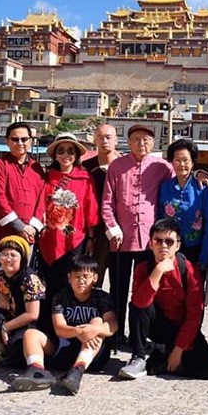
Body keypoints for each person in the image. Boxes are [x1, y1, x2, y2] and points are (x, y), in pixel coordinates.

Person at [102, 124, 174, 342]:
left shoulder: (162, 167)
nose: (141, 143)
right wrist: (112, 227)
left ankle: (139, 336)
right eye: (136, 139)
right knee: (118, 289)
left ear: (152, 143)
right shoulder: (117, 166)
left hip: (149, 241)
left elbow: (176, 187)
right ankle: (116, 335)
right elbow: (107, 202)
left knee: (144, 290)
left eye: (146, 140)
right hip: (121, 239)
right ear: (129, 142)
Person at [118, 218, 208, 380]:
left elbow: (195, 315)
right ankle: (139, 357)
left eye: (169, 241)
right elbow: (140, 304)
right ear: (151, 244)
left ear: (178, 245)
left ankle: (162, 357)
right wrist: (158, 271)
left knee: (206, 369)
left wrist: (178, 350)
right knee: (137, 305)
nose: (163, 246)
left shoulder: (189, 270)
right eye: (158, 241)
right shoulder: (143, 268)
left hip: (181, 328)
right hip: (157, 325)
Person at [13, 255, 117, 395]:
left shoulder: (102, 297)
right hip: (64, 349)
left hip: (93, 355)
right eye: (76, 276)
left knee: (97, 321)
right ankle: (36, 370)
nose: (81, 281)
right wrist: (80, 331)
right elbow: (59, 328)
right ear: (69, 278)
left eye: (86, 277)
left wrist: (94, 330)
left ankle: (77, 370)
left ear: (95, 278)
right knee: (30, 333)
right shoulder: (60, 297)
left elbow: (112, 324)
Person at [36, 133, 99, 305]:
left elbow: (90, 208)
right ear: (55, 155)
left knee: (71, 279)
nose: (66, 155)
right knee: (48, 281)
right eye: (61, 151)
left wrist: (91, 238)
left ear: (76, 155)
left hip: (74, 239)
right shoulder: (46, 177)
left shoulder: (85, 179)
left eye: (70, 151)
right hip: (48, 238)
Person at [0, 122, 45, 294]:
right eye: (15, 139)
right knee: (0, 282)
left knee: (25, 281)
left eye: (24, 139)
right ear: (7, 141)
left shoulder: (37, 168)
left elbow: (42, 200)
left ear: (31, 141)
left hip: (29, 235)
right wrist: (20, 227)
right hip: (4, 233)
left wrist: (32, 227)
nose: (20, 143)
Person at [0, 236, 45, 370]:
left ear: (22, 258)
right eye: (4, 255)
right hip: (11, 317)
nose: (8, 259)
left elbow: (33, 314)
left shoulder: (29, 279)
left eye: (13, 255)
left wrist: (5, 327)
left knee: (17, 357)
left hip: (30, 324)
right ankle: (0, 350)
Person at [157, 138, 208, 269]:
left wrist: (204, 256)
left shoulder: (202, 188)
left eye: (186, 160)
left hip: (195, 248)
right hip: (169, 248)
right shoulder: (165, 187)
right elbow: (159, 219)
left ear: (193, 162)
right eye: (177, 160)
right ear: (171, 162)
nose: (181, 164)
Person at [81, 123, 121, 288]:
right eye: (100, 137)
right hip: (95, 229)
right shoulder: (86, 167)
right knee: (94, 277)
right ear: (95, 140)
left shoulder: (125, 165)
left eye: (108, 137)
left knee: (119, 279)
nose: (104, 141)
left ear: (116, 140)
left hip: (121, 228)